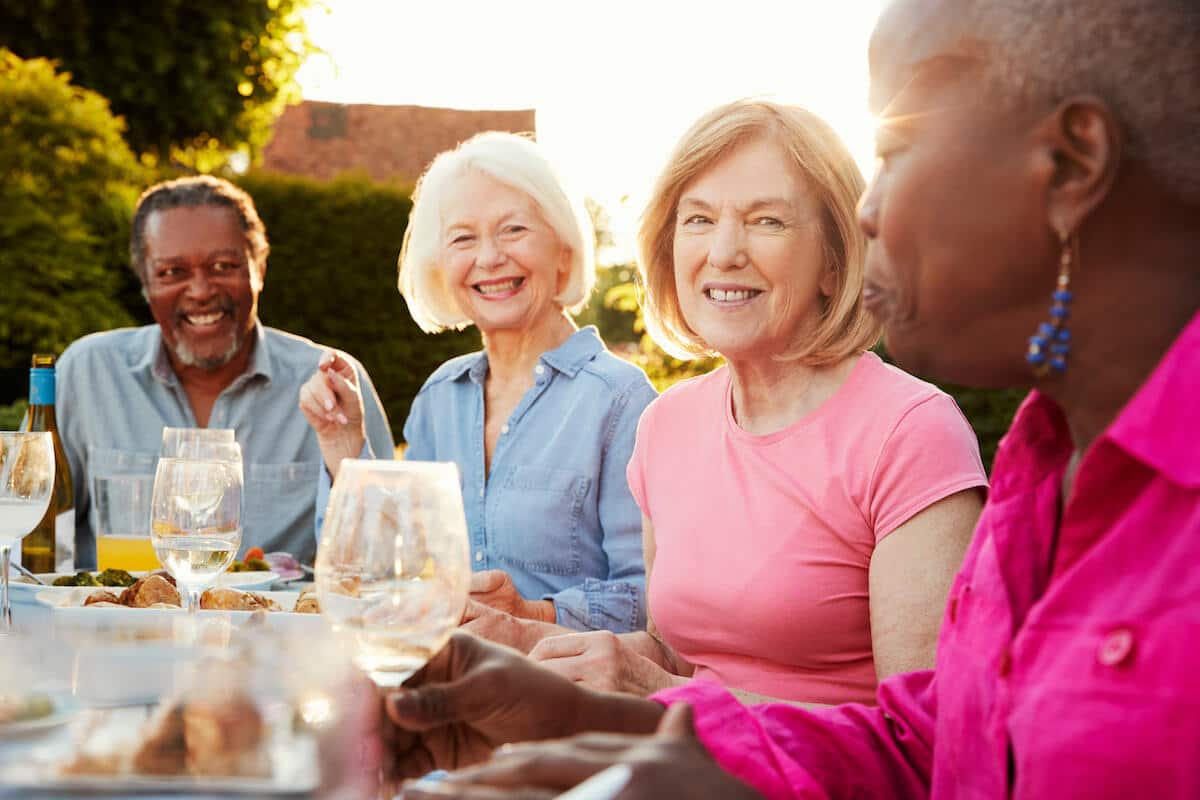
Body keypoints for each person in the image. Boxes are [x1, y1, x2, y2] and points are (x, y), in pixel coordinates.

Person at [376, 0, 1200, 796]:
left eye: (897, 152)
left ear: (1071, 163)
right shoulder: (1044, 459)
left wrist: (634, 707)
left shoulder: (921, 430)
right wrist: (576, 711)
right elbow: (934, 754)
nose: (870, 211)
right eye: (698, 220)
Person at [526, 99, 986, 707]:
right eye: (697, 219)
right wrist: (522, 641)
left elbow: (926, 739)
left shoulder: (911, 432)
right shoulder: (666, 424)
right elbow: (683, 659)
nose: (723, 252)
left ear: (835, 259)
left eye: (766, 221)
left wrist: (666, 693)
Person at [300, 132, 656, 636]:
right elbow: (382, 573)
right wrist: (343, 447)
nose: (488, 258)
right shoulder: (439, 397)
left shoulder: (622, 400)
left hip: (563, 694)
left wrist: (533, 615)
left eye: (513, 230)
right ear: (441, 267)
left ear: (563, 250)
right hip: (442, 681)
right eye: (463, 238)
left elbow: (656, 601)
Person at [57, 175, 393, 567]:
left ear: (259, 268)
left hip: (275, 628)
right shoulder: (88, 373)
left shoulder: (332, 383)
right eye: (171, 272)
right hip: (111, 627)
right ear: (145, 282)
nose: (200, 290)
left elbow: (386, 558)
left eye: (222, 266)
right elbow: (32, 544)